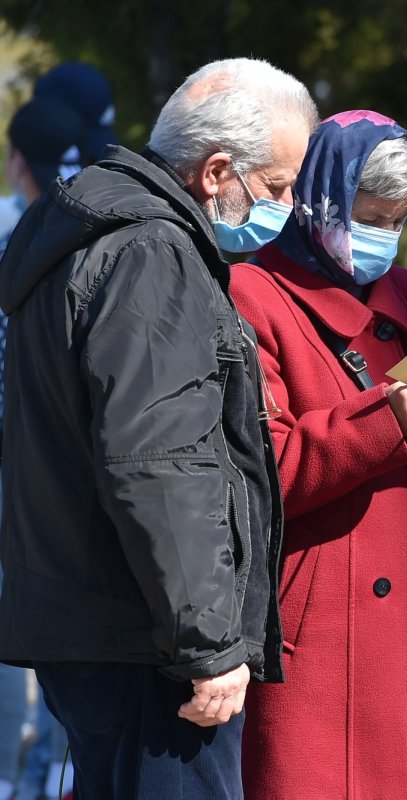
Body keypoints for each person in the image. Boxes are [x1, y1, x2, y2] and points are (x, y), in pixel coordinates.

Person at [0, 58, 317, 799]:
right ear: (216, 172)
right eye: (276, 186)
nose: (288, 206)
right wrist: (208, 645)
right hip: (148, 643)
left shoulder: (93, 230)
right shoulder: (150, 251)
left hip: (101, 627)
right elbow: (160, 460)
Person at [229, 110, 407, 799]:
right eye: (370, 217)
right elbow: (263, 471)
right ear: (320, 199)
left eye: (398, 220)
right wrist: (382, 421)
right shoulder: (252, 293)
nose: (384, 236)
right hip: (322, 617)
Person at [0, 95, 90, 800]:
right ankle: (59, 774)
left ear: (16, 162)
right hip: (73, 463)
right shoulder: (98, 238)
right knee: (73, 622)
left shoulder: (13, 239)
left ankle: (12, 778)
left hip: (15, 458)